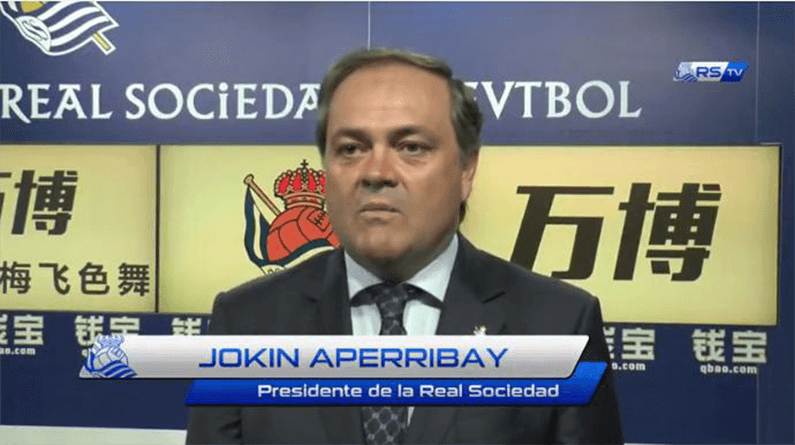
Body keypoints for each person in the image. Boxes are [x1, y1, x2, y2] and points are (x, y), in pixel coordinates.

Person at [186, 47, 623, 444]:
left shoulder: (559, 325)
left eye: (411, 147)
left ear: (466, 170)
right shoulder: (246, 322)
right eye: (351, 149)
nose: (376, 172)